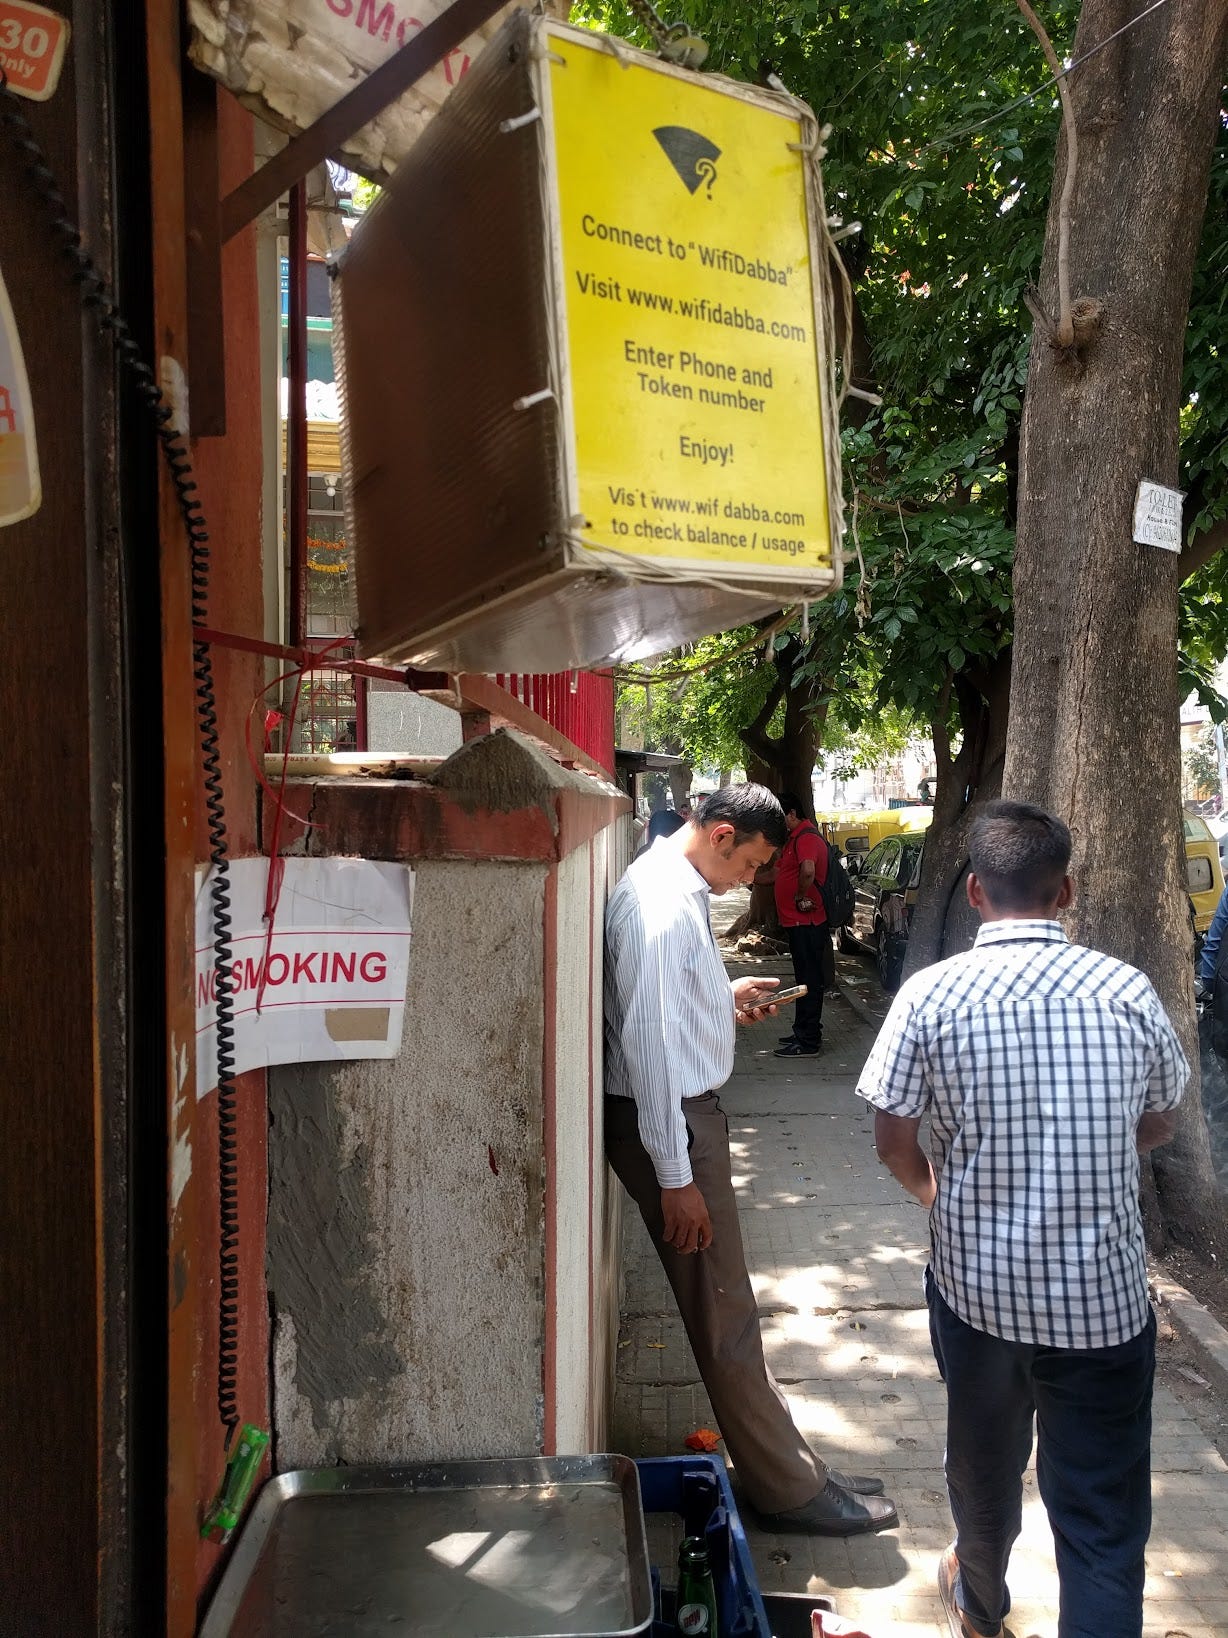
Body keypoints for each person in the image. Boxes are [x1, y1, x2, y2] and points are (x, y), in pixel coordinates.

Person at [856, 800, 1188, 1638]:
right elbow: (1161, 1120)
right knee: (1104, 1521)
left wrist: (940, 1195)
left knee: (983, 1469)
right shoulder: (1126, 989)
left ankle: (980, 1603)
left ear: (974, 892)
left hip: (979, 1299)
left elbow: (891, 1138)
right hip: (1103, 1308)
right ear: (1065, 890)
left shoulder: (931, 994)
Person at [604, 785, 898, 1536]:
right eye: (753, 865)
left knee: (729, 1307)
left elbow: (665, 1012)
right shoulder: (662, 908)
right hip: (669, 1125)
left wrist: (719, 997)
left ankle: (790, 1467)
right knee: (725, 1314)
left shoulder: (674, 888)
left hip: (679, 1118)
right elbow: (647, 1049)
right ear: (722, 833)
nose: (751, 882)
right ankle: (788, 1491)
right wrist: (677, 1176)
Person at [767, 791, 830, 1058]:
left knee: (810, 981)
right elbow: (777, 873)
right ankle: (803, 1030)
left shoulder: (806, 837)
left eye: (781, 817)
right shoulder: (795, 838)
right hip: (798, 922)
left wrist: (800, 896)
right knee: (805, 979)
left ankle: (808, 1041)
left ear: (792, 814)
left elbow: (807, 871)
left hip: (809, 922)